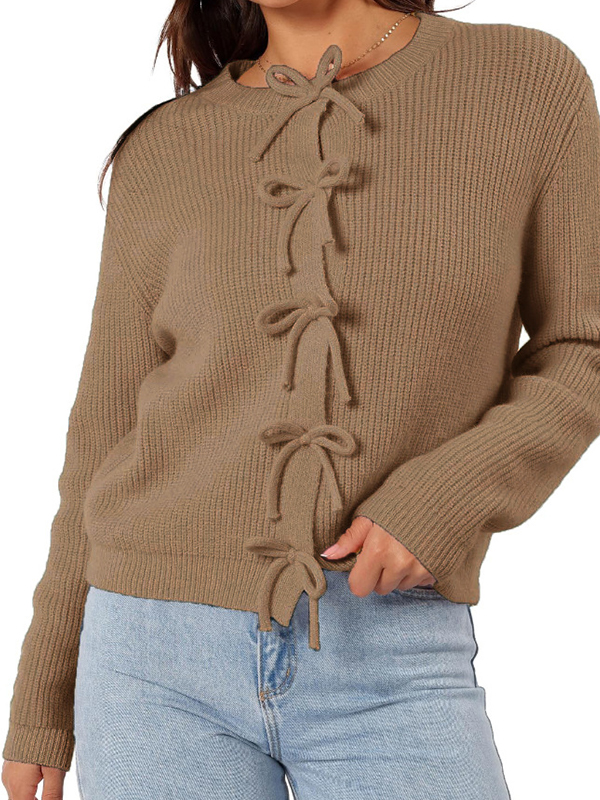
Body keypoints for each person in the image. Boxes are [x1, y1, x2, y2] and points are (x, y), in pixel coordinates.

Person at [3, 0, 600, 797]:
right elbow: (103, 434)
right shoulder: (165, 148)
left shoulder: (520, 81)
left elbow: (584, 346)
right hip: (148, 663)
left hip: (392, 648)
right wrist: (42, 697)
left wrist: (441, 499)